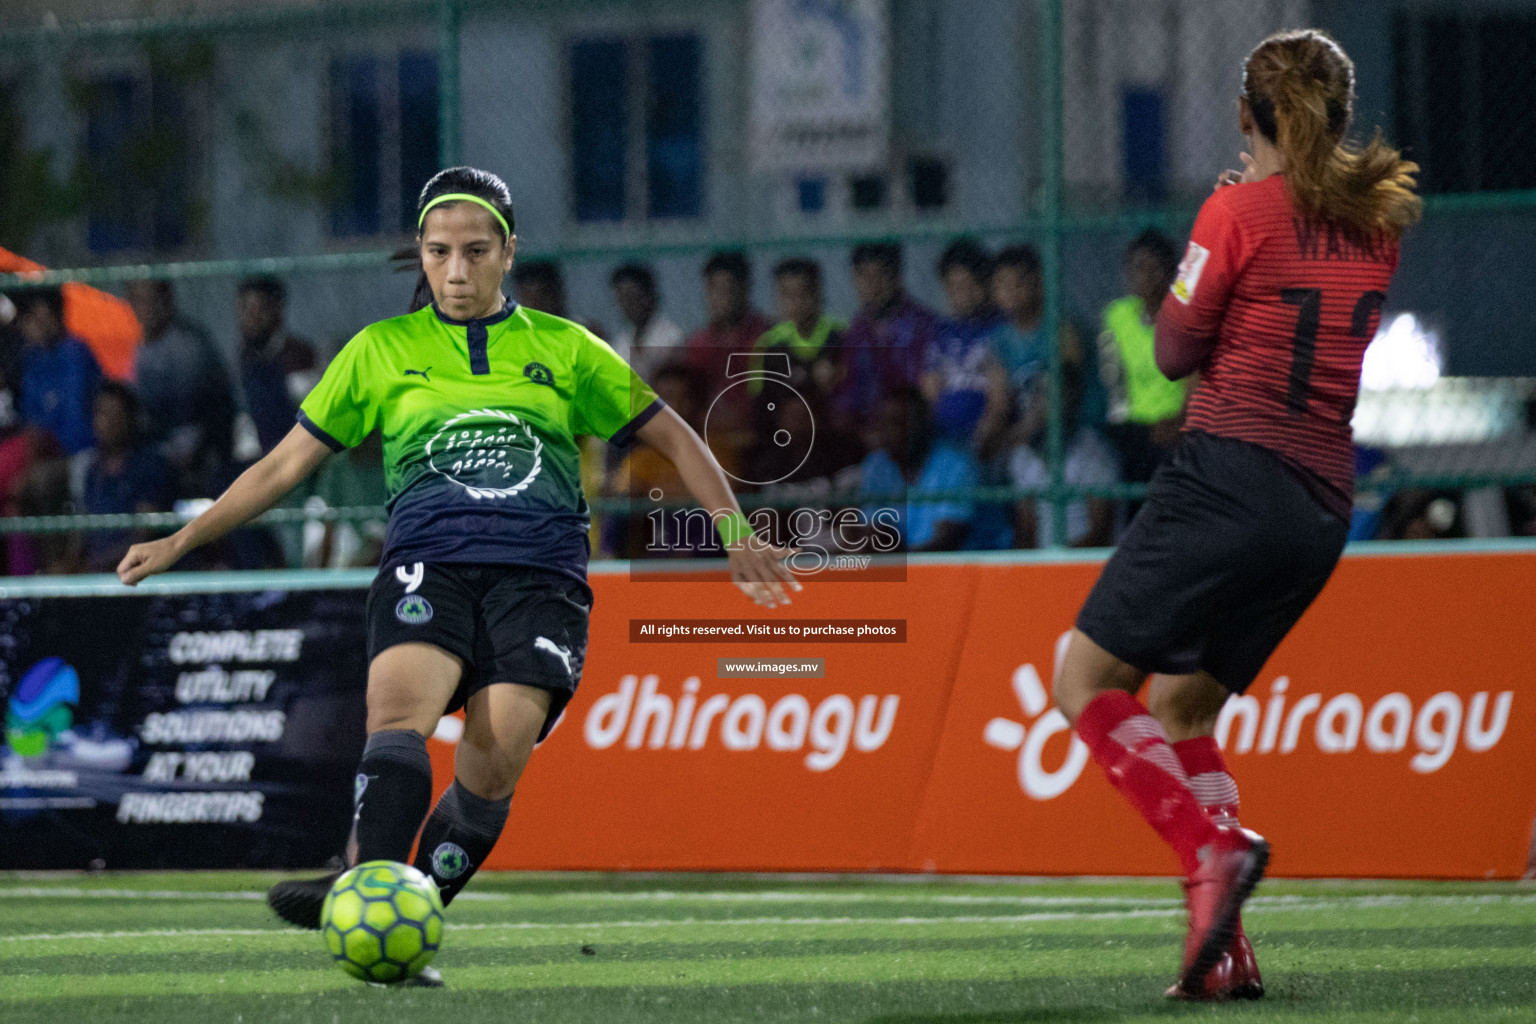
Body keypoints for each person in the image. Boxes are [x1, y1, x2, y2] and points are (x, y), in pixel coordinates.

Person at [115, 166, 799, 986]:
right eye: (439, 252)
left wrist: (735, 529)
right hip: (426, 563)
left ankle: (405, 906)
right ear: (422, 255)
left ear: (508, 252)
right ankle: (372, 890)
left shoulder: (565, 348)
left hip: (538, 576)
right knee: (397, 713)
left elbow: (678, 437)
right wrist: (184, 539)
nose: (458, 270)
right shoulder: (381, 351)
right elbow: (283, 466)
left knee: (495, 757)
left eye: (476, 251)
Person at [1050, 29, 1420, 1001]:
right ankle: (1227, 952)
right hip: (1319, 506)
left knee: (1083, 679)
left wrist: (1220, 224)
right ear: (1337, 119)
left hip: (1226, 473)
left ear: (1247, 116)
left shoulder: (1236, 208)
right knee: (1185, 704)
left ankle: (1210, 845)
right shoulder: (1378, 224)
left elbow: (1172, 352)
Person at [125, 278, 236, 494]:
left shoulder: (187, 345)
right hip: (158, 443)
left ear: (166, 301)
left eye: (148, 300)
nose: (141, 308)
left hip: (204, 447)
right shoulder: (142, 346)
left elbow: (194, 415)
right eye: (136, 300)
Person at [1099, 230, 1188, 485]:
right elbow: (1113, 377)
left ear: (1171, 272)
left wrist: (1178, 421)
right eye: (1138, 267)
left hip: (1173, 425)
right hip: (1132, 427)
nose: (1145, 275)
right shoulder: (1117, 315)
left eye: (1154, 267)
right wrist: (1120, 422)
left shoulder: (1185, 316)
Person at [830, 242, 939, 434]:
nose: (872, 285)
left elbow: (921, 393)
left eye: (880, 275)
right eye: (864, 276)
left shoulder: (924, 327)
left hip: (906, 430)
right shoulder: (856, 330)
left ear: (897, 277)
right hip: (862, 430)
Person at [69, 382, 176, 573]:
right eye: (100, 413)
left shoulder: (150, 466)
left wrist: (93, 566)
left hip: (137, 575)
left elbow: (144, 538)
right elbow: (82, 535)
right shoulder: (91, 472)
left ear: (130, 418)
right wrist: (68, 567)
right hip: (94, 576)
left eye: (113, 414)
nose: (104, 422)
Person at [683, 251, 773, 429]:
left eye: (727, 289)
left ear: (745, 288)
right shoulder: (698, 343)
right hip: (711, 434)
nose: (720, 297)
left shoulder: (766, 337)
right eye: (713, 289)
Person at [236, 276, 320, 456]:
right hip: (250, 457)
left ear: (277, 310)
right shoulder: (244, 357)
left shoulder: (299, 356)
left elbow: (308, 418)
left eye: (258, 310)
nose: (250, 319)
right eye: (245, 310)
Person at [12, 286, 101, 455]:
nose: (29, 326)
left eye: (40, 317)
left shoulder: (75, 355)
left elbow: (77, 425)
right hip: (42, 450)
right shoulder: (32, 358)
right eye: (29, 318)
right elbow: (31, 418)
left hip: (79, 453)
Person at [753, 258, 845, 399]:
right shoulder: (768, 345)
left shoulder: (841, 335)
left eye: (803, 294)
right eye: (786, 295)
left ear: (818, 295)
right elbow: (758, 400)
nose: (795, 303)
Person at [608, 263, 684, 384]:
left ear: (648, 295)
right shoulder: (620, 344)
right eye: (622, 298)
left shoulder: (671, 337)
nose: (627, 304)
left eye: (631, 296)